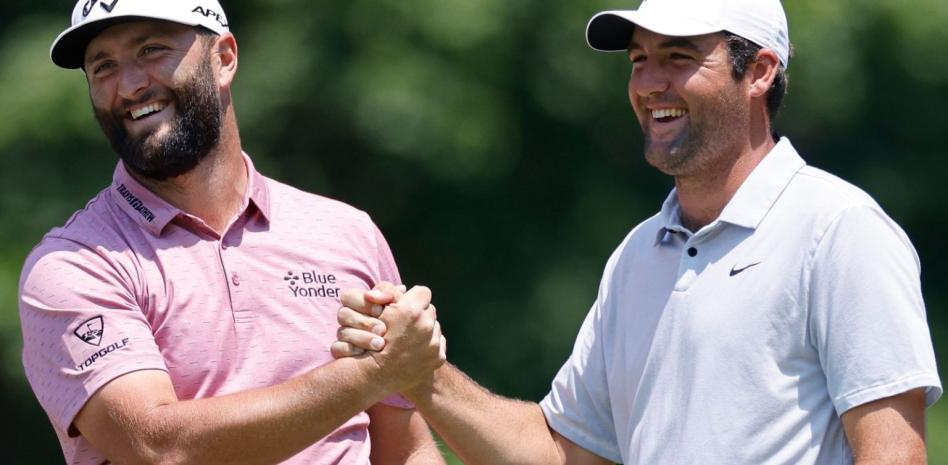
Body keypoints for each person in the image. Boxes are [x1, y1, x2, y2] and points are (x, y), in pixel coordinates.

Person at [332, 0, 943, 464]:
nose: (649, 84)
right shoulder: (637, 255)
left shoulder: (839, 230)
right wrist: (421, 375)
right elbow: (561, 452)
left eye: (678, 57)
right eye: (639, 60)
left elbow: (894, 455)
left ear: (759, 71)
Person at [18, 1, 447, 464]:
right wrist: (368, 376)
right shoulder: (72, 264)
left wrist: (380, 375)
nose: (130, 85)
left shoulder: (346, 232)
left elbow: (407, 451)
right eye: (103, 67)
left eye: (151, 50)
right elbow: (158, 448)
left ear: (223, 58)